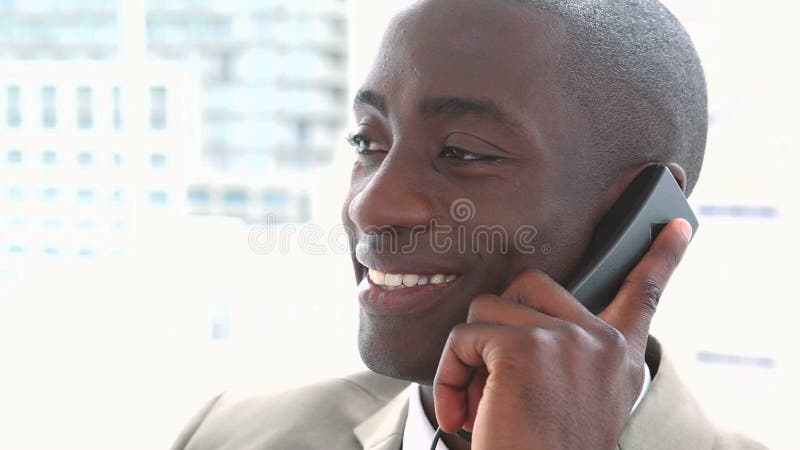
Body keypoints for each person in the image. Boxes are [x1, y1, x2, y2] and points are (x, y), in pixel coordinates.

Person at [172, 0, 765, 448]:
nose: (370, 208)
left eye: (462, 152)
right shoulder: (231, 432)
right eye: (367, 141)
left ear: (639, 215)